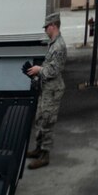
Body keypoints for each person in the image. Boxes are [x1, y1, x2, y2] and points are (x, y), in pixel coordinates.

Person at [25, 12, 67, 169]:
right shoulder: (53, 43)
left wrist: (38, 70)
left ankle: (45, 155)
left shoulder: (59, 46)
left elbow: (53, 71)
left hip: (53, 89)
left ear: (53, 26)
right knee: (40, 118)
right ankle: (38, 148)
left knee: (48, 121)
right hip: (47, 88)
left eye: (47, 27)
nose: (45, 30)